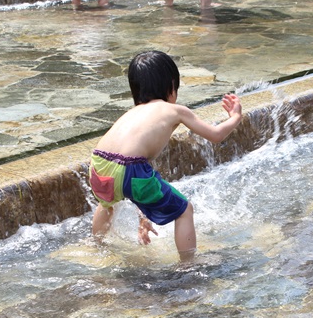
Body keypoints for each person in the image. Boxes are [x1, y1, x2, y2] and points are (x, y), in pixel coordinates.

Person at [88, 50, 243, 262]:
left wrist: (144, 217)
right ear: (171, 85)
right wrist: (235, 117)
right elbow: (215, 135)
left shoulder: (131, 114)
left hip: (98, 163)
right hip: (130, 170)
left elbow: (128, 172)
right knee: (184, 210)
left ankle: (96, 249)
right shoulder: (175, 110)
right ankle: (188, 266)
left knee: (107, 203)